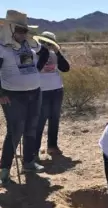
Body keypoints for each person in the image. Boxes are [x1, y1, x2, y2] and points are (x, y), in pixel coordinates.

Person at [0, 10, 50, 187]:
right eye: (20, 30)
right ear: (10, 28)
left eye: (25, 30)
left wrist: (36, 70)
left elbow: (45, 51)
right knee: (15, 131)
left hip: (35, 92)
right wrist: (1, 93)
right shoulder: (2, 47)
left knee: (32, 127)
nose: (23, 33)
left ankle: (28, 162)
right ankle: (4, 170)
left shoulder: (31, 45)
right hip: (13, 95)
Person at [33, 31, 70, 159]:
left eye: (50, 43)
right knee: (40, 121)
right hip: (42, 90)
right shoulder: (35, 53)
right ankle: (34, 150)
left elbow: (65, 68)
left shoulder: (55, 54)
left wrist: (57, 52)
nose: (47, 44)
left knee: (54, 119)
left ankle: (52, 146)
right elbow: (37, 67)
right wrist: (44, 52)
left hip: (57, 89)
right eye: (44, 42)